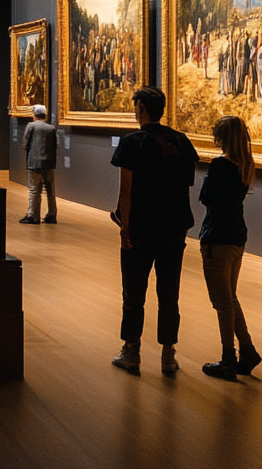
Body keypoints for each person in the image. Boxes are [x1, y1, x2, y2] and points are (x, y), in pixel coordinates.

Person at [109, 85, 198, 374]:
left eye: (135, 106)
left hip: (141, 229)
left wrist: (125, 228)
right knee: (169, 293)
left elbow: (127, 190)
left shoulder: (133, 142)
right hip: (173, 228)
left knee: (134, 292)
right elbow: (185, 185)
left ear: (142, 109)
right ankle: (168, 354)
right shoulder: (182, 141)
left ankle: (131, 351)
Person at [198, 115, 262, 380]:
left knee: (222, 302)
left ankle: (228, 357)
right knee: (230, 298)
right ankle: (247, 351)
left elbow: (205, 198)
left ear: (222, 137)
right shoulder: (245, 165)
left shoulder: (220, 166)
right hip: (237, 236)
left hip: (218, 236)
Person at [20, 104, 58, 224]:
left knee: (34, 189)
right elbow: (56, 145)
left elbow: (26, 143)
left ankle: (33, 215)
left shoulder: (31, 126)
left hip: (34, 163)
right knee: (50, 189)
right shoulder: (51, 128)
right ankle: (52, 214)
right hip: (49, 163)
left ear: (35, 114)